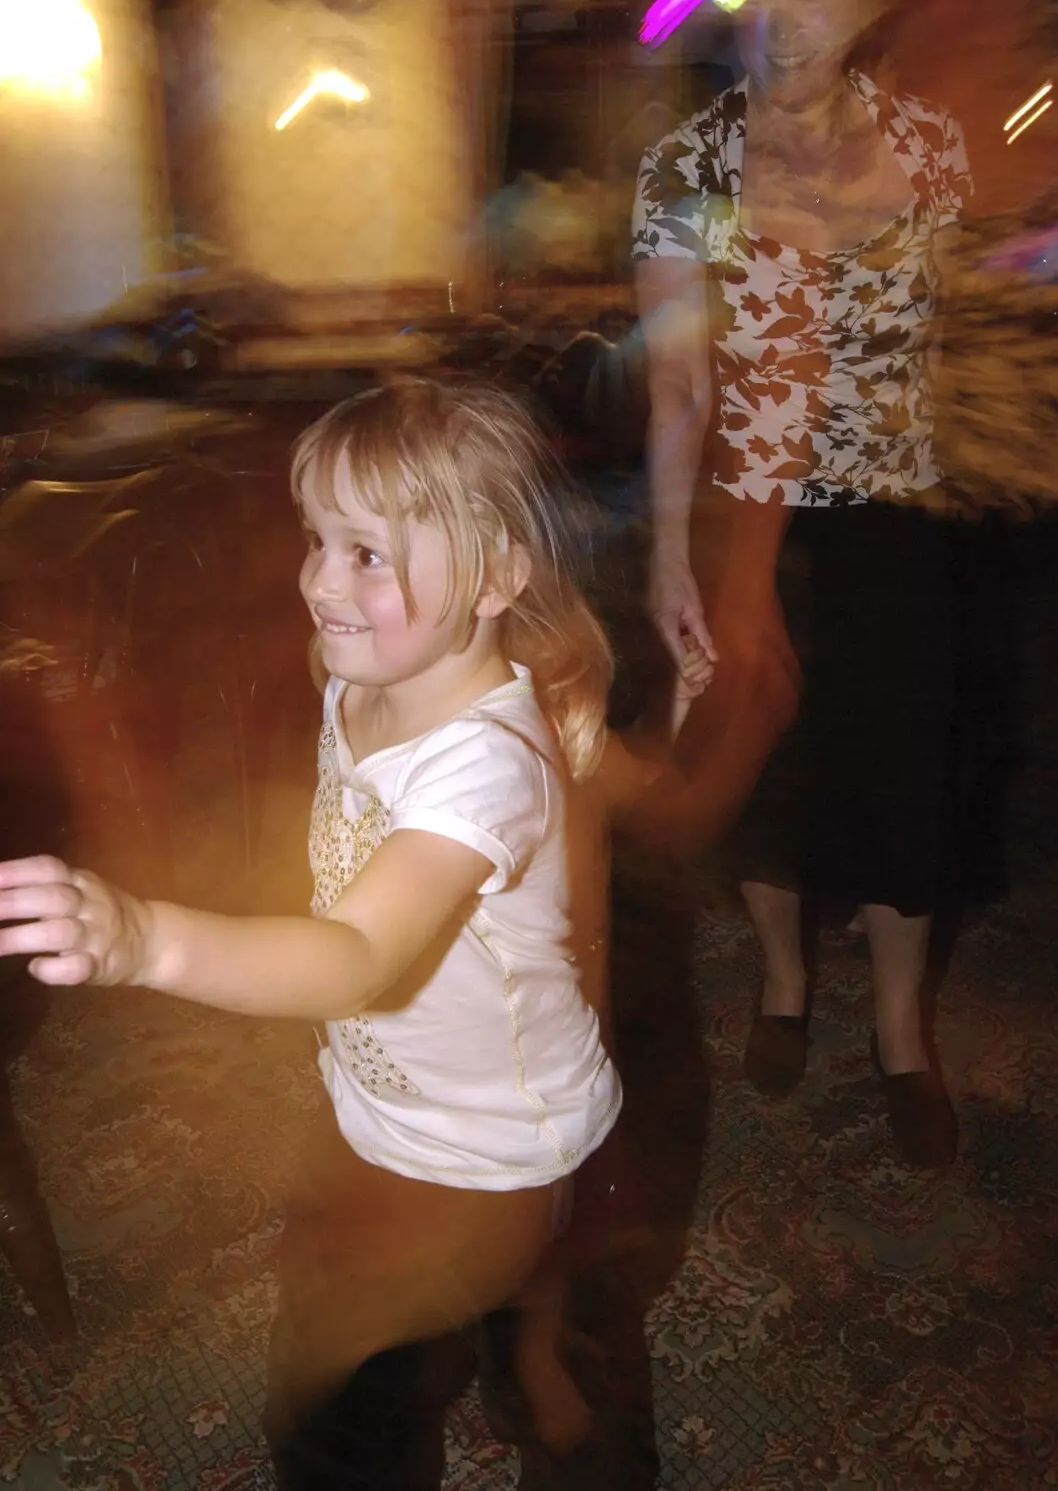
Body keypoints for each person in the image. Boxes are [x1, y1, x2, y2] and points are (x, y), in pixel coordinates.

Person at [0, 377, 706, 1488]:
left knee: (512, 1404)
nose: (321, 580)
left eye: (367, 552)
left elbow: (359, 956)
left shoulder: (481, 766)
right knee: (381, 1388)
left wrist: (147, 939)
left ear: (498, 573)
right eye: (316, 538)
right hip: (382, 1111)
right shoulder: (369, 676)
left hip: (503, 1157)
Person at [632, 0, 973, 1168]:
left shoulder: (928, 147)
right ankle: (782, 984)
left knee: (899, 776)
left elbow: (972, 325)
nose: (791, 4)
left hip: (899, 516)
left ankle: (897, 1031)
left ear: (866, 5)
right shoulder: (690, 164)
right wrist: (673, 556)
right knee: (764, 785)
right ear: (735, 16)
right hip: (749, 522)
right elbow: (674, 381)